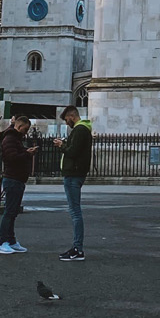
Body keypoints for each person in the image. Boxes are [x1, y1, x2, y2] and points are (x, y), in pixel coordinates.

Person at [0, 114, 37, 255]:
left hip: (17, 179)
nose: (26, 133)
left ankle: (11, 241)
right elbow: (11, 158)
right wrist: (27, 154)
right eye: (25, 130)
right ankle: (3, 242)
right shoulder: (10, 139)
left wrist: (26, 152)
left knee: (13, 212)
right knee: (9, 212)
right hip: (12, 178)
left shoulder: (15, 139)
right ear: (18, 126)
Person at [55, 105, 92, 261]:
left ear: (71, 116)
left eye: (66, 120)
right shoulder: (82, 130)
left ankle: (78, 248)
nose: (66, 123)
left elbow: (72, 152)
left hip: (73, 174)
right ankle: (77, 248)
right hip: (75, 173)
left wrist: (61, 145)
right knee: (75, 211)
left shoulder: (80, 130)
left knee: (75, 212)